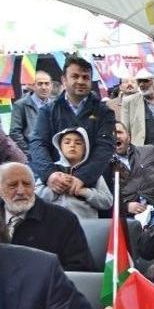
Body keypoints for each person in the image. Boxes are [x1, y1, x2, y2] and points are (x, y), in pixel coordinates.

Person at [29, 56, 116, 203]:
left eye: (85, 77)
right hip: (55, 187)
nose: (81, 81)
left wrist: (82, 177)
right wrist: (50, 174)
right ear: (64, 79)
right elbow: (38, 144)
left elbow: (105, 147)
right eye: (75, 76)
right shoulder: (48, 111)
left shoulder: (104, 112)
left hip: (93, 186)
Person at [0, 162, 92, 270]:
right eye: (13, 185)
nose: (21, 191)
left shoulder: (63, 219)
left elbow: (80, 267)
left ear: (34, 186)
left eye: (27, 184)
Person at [35, 127, 112, 219]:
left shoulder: (93, 171)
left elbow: (107, 201)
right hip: (53, 225)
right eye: (67, 142)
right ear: (60, 146)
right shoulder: (50, 170)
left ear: (85, 148)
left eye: (78, 143)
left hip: (85, 226)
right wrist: (57, 188)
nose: (72, 145)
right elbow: (35, 197)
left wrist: (83, 192)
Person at [9, 71, 53, 155]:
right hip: (32, 155)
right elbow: (14, 132)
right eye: (40, 84)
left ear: (51, 86)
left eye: (47, 84)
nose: (44, 87)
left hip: (51, 155)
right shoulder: (21, 105)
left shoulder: (55, 105)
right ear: (33, 86)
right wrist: (29, 153)